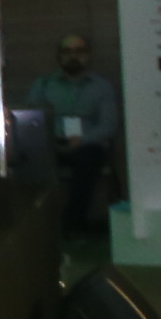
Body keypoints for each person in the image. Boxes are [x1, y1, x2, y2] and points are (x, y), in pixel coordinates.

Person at [32, 32, 121, 229]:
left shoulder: (101, 86)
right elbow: (31, 121)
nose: (73, 56)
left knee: (89, 158)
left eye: (79, 51)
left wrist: (84, 139)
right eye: (67, 51)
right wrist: (51, 140)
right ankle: (38, 224)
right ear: (59, 56)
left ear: (88, 55)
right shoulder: (43, 85)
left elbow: (108, 125)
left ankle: (72, 223)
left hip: (87, 145)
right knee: (30, 160)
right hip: (52, 145)